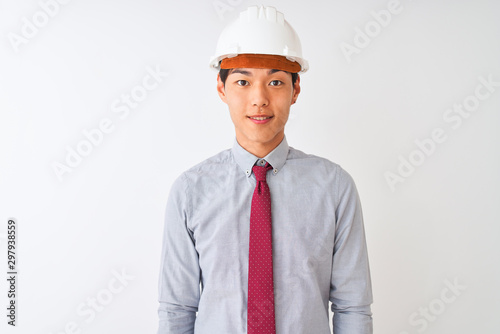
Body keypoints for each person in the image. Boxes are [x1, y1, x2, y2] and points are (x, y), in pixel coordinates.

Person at [157, 5, 373, 334]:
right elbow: (177, 310)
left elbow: (352, 307)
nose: (259, 99)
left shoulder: (334, 187)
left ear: (295, 89)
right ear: (221, 88)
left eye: (275, 81)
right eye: (243, 81)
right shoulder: (190, 191)